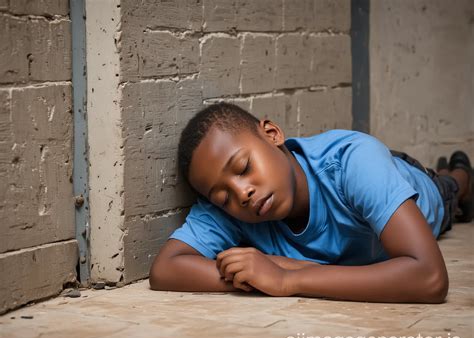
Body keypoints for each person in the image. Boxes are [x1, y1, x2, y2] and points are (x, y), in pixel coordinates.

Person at [149, 103, 472, 303]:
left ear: (272, 133)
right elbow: (166, 269)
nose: (241, 193)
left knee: (450, 189)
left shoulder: (353, 160)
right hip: (378, 180)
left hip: (416, 183)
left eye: (244, 167)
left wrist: (287, 277)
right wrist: (256, 273)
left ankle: (460, 172)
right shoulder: (235, 206)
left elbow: (428, 278)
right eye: (222, 196)